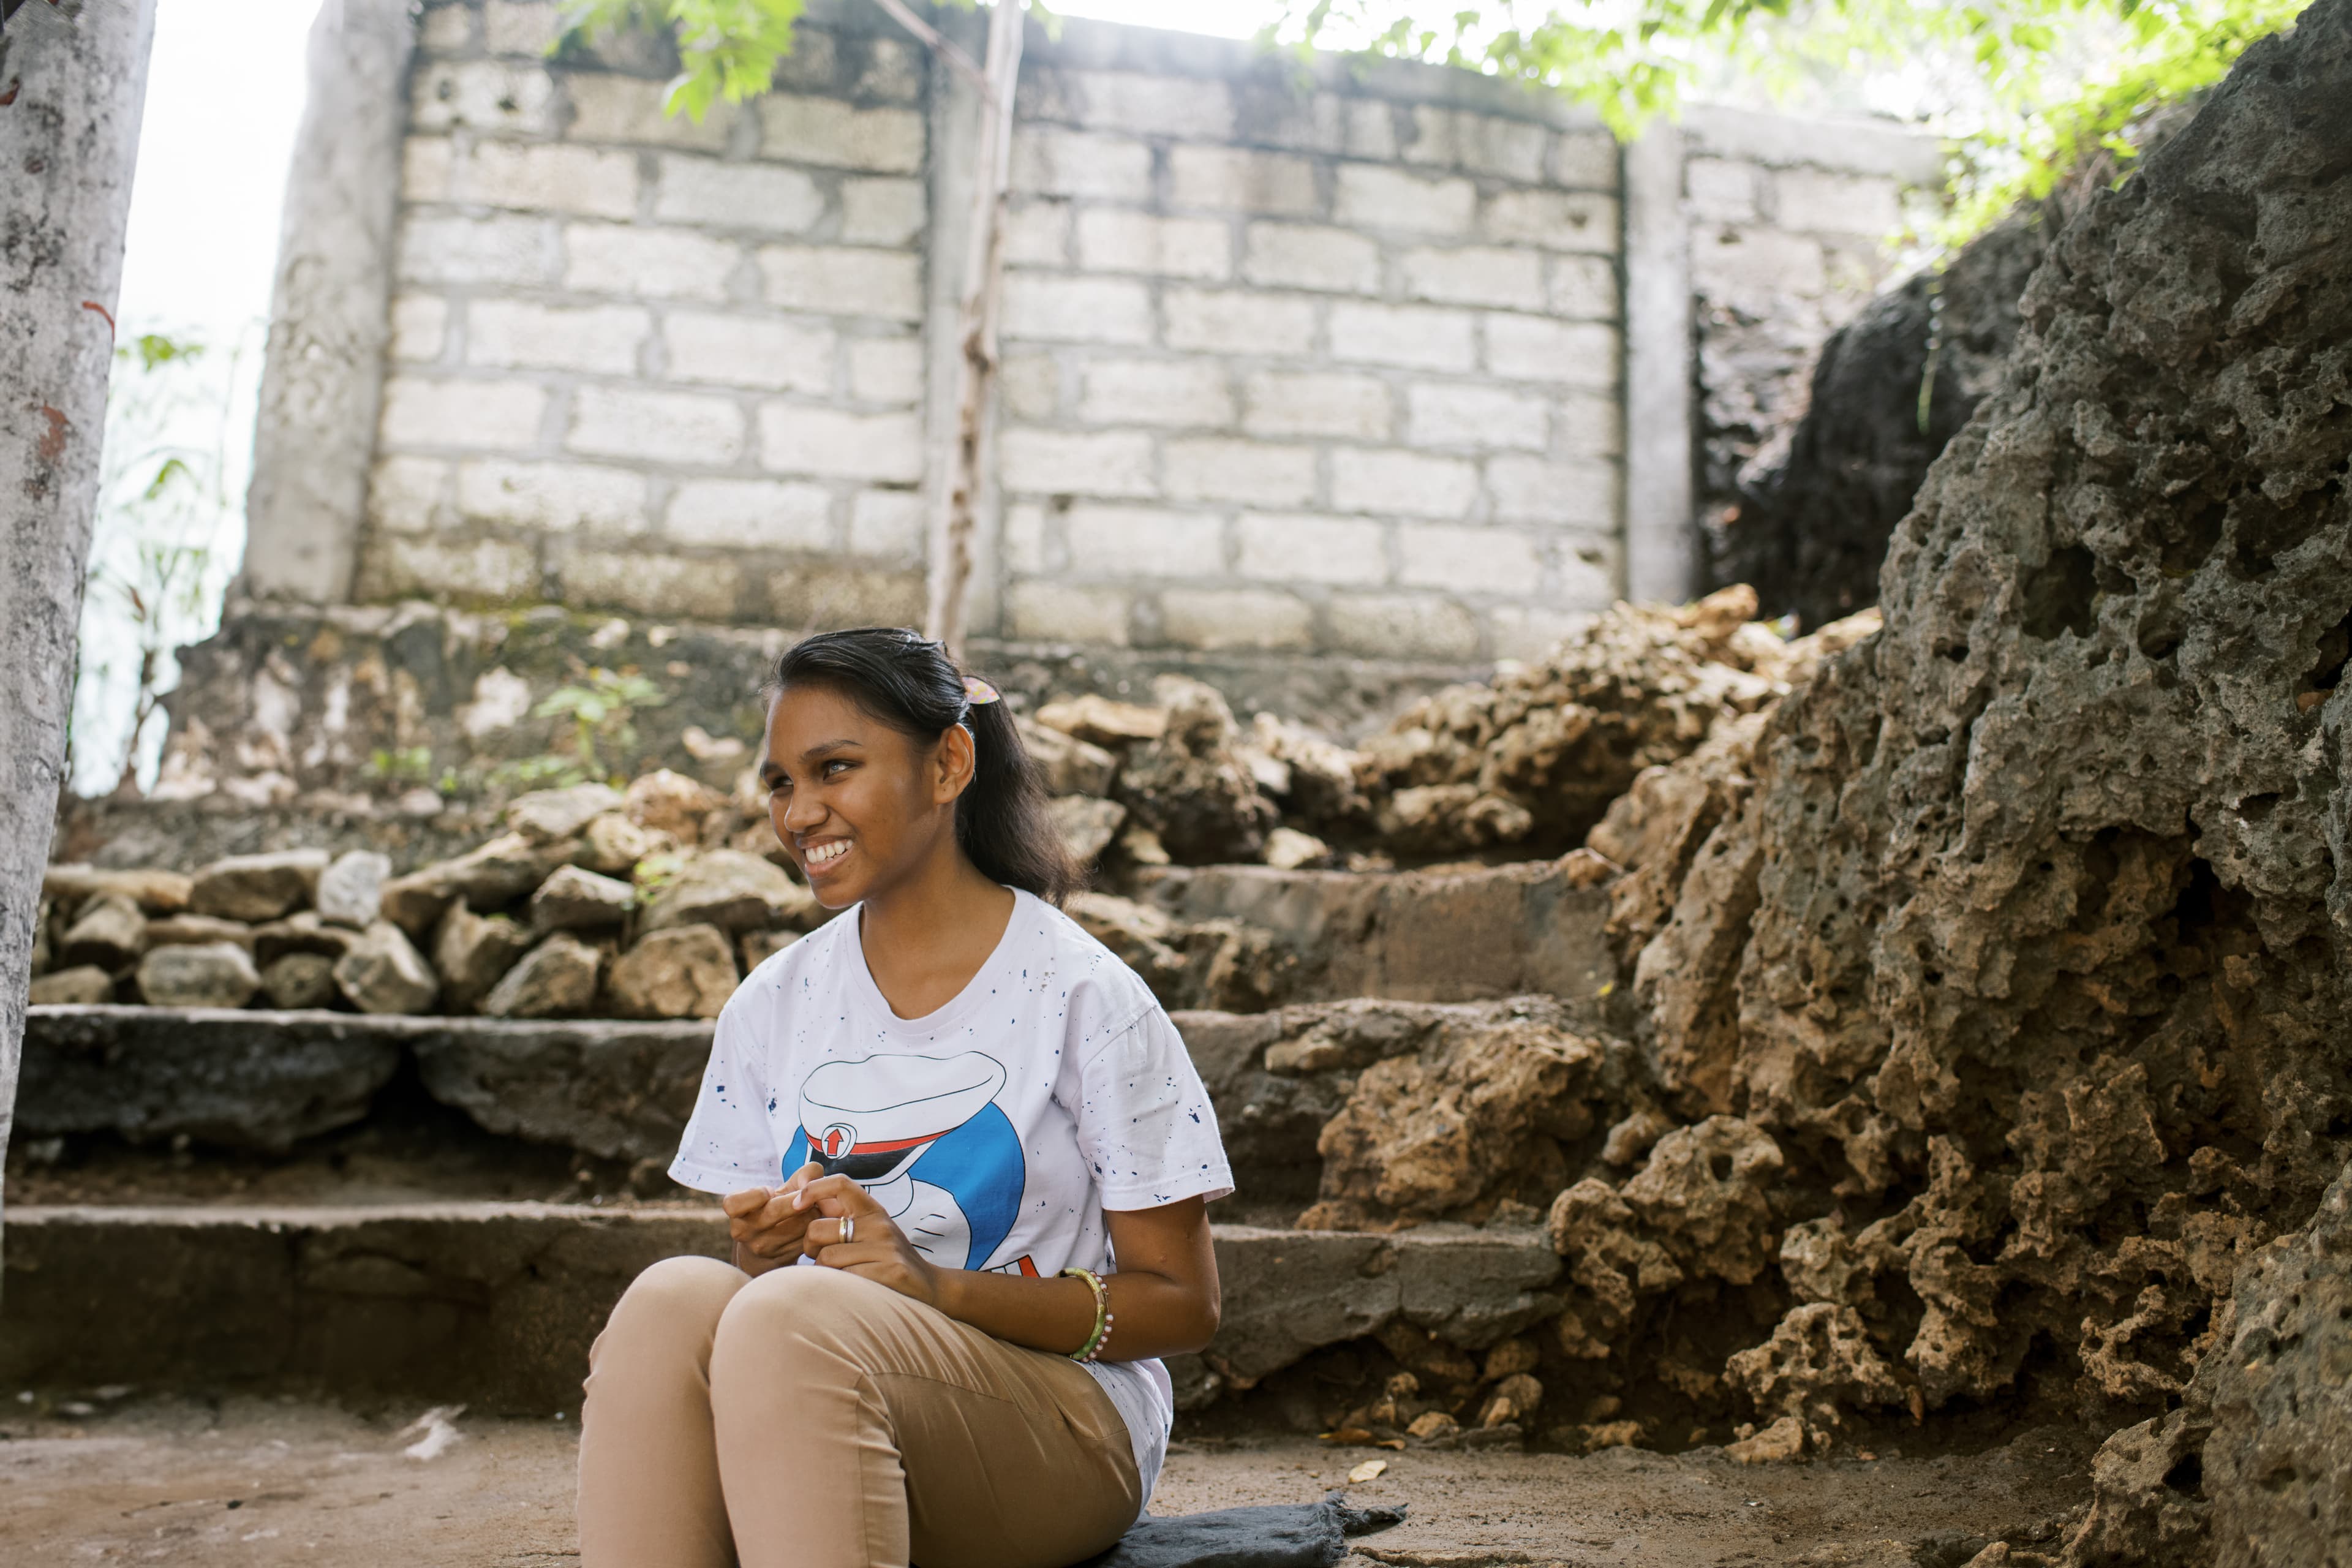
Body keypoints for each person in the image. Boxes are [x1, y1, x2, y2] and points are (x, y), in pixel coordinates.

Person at [578, 627, 1232, 1568]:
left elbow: (1185, 1307)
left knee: (786, 1319)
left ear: (949, 764)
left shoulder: (1084, 995)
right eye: (778, 784)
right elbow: (775, 1301)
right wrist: (768, 1246)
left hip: (1061, 1423)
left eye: (834, 768)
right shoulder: (775, 1002)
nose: (800, 813)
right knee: (672, 1299)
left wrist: (935, 1289)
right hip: (835, 1394)